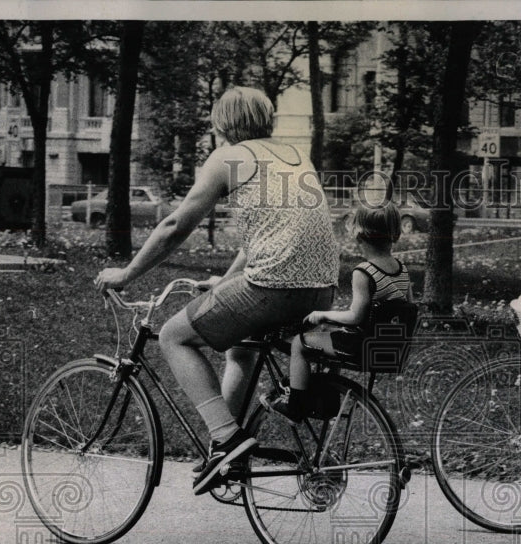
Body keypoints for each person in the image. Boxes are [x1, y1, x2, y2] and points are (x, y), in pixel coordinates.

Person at [95, 86, 339, 495]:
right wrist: (225, 282)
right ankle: (223, 454)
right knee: (239, 350)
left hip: (273, 287)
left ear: (222, 123)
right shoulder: (296, 155)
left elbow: (176, 226)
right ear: (266, 119)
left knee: (174, 336)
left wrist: (126, 274)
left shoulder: (228, 158)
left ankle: (228, 438)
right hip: (322, 290)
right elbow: (273, 233)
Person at [275, 202, 413, 422]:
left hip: (362, 346)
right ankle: (326, 396)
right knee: (330, 332)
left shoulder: (364, 272)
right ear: (395, 233)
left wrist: (323, 314)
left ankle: (296, 406)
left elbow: (356, 316)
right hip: (387, 348)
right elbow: (408, 307)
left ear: (358, 234)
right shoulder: (402, 270)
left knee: (299, 344)